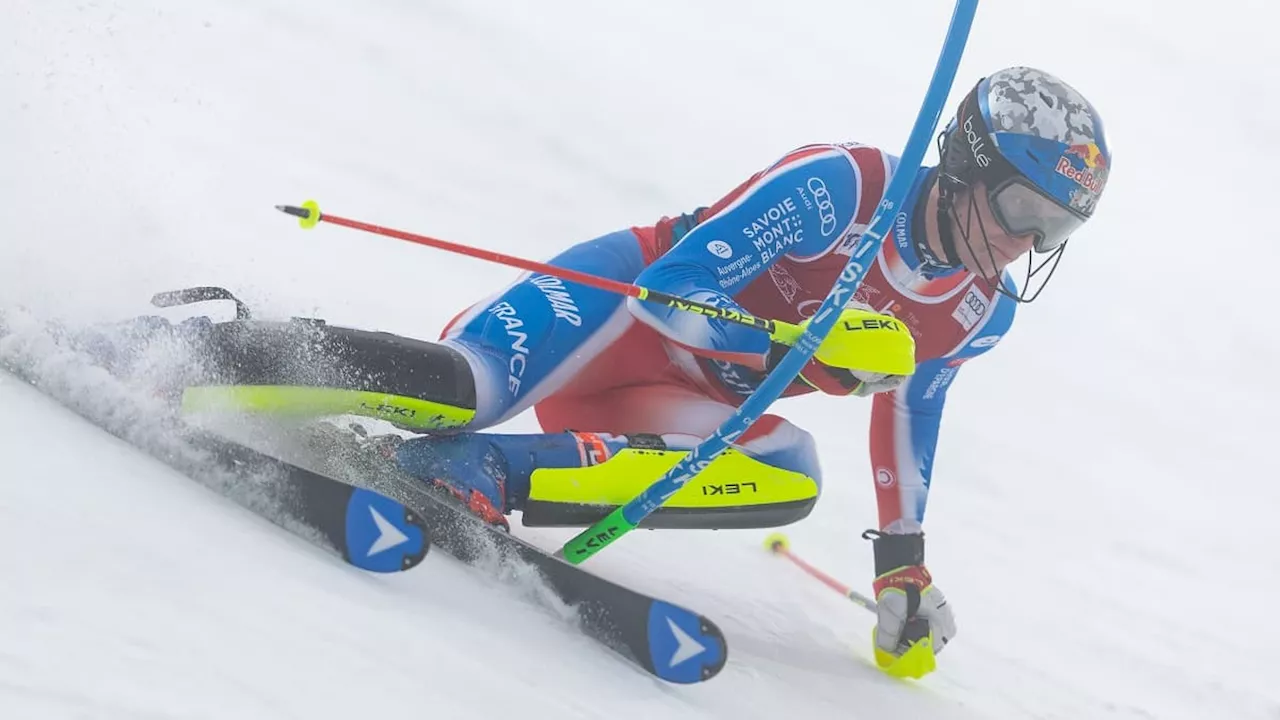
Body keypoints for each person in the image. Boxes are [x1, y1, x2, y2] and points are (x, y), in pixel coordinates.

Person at [67, 66, 1114, 674]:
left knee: (788, 469)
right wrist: (805, 350)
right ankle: (191, 347)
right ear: (967, 169)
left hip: (687, 400)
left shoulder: (976, 313)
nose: (1022, 244)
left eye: (1053, 228)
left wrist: (901, 565)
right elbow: (671, 290)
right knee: (460, 383)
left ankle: (473, 475)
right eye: (1022, 212)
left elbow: (907, 413)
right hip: (612, 313)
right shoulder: (845, 187)